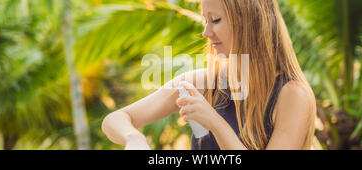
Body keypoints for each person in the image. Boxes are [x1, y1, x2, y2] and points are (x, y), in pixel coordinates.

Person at [101, 0, 316, 150]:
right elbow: (115, 119)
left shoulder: (292, 96)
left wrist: (214, 121)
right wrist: (133, 138)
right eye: (205, 19)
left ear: (249, 21)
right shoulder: (203, 83)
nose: (206, 32)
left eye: (215, 20)